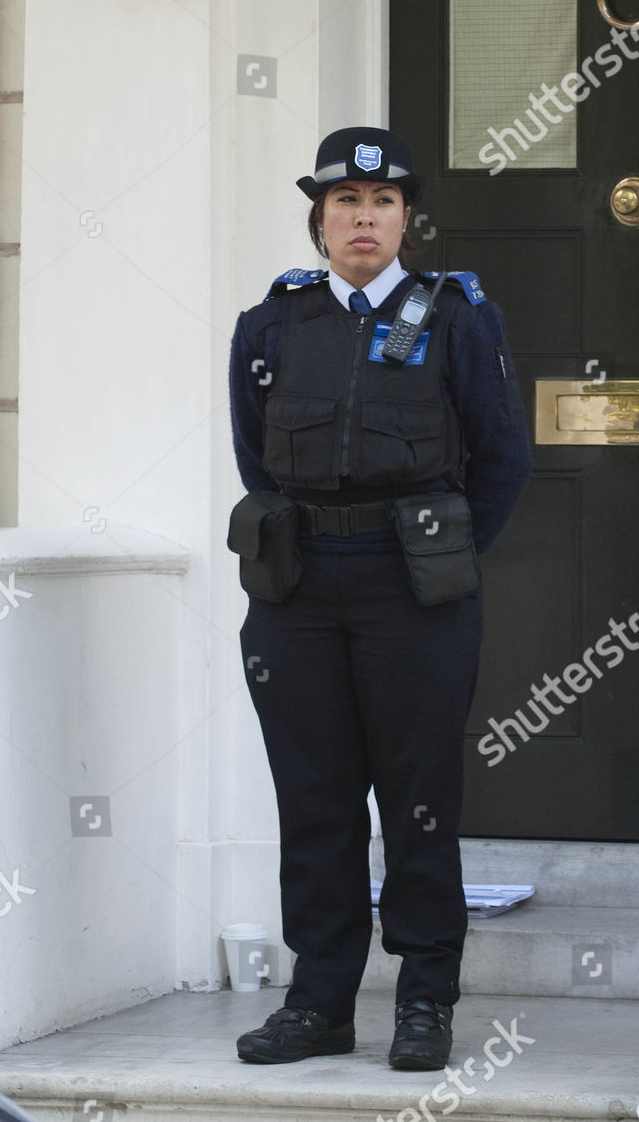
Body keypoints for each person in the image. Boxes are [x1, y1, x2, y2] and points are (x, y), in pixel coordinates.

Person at [226, 126, 531, 1071]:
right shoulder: (271, 325)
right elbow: (254, 454)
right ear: (319, 220)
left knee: (419, 798)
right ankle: (319, 1002)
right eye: (346, 205)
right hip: (299, 592)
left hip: (415, 597)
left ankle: (425, 1001)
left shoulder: (457, 317)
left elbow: (503, 460)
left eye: (385, 203)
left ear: (407, 219)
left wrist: (434, 559)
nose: (365, 219)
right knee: (313, 799)